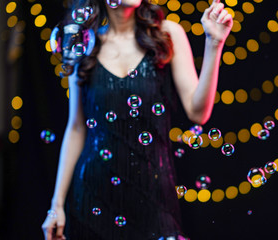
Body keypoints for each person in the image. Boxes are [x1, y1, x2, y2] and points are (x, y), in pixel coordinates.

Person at [42, 0, 232, 239]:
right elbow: (77, 128)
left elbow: (198, 113)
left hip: (154, 199)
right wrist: (56, 205)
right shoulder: (82, 44)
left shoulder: (167, 34)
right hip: (92, 198)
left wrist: (214, 43)